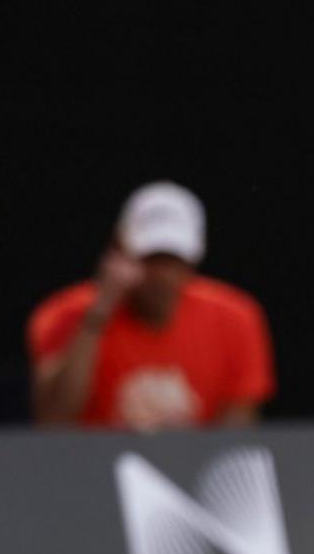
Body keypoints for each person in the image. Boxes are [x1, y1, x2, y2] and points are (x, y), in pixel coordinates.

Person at [27, 181, 275, 431]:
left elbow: (239, 430)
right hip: (93, 456)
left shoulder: (235, 317)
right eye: (150, 259)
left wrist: (187, 445)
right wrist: (96, 317)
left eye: (173, 260)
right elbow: (53, 420)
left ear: (193, 261)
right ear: (119, 254)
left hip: (194, 455)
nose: (162, 275)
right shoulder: (64, 314)